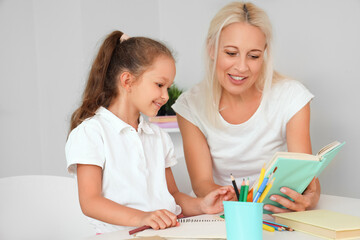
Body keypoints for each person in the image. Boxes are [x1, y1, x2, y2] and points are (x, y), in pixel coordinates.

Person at [65, 31, 234, 234]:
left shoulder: (157, 136)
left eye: (168, 87)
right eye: (160, 85)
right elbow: (90, 202)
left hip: (163, 234)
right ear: (127, 81)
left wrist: (202, 206)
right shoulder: (91, 133)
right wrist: (144, 217)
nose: (165, 96)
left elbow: (172, 194)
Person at [172, 2, 320, 214]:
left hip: (276, 212)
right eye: (231, 53)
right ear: (211, 49)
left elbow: (307, 177)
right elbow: (201, 183)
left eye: (253, 56)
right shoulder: (190, 105)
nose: (241, 67)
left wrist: (310, 197)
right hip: (223, 213)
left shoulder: (291, 96)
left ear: (264, 54)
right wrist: (231, 200)